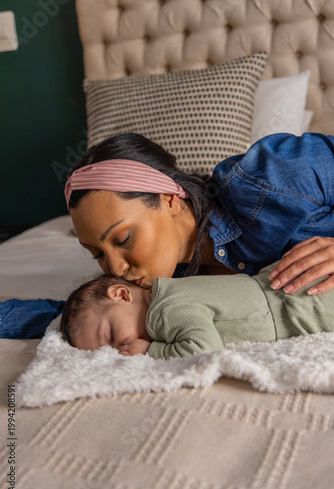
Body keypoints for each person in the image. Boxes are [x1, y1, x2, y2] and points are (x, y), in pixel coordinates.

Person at [2, 131, 334, 339]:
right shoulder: (157, 287)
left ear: (170, 200)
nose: (115, 268)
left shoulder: (266, 179)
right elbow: (77, 316)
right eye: (97, 254)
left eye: (123, 239)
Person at [60, 262, 334, 358]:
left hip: (300, 306)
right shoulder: (171, 290)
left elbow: (205, 348)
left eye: (110, 334)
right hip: (283, 289)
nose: (119, 347)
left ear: (121, 294)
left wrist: (150, 351)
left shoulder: (165, 310)